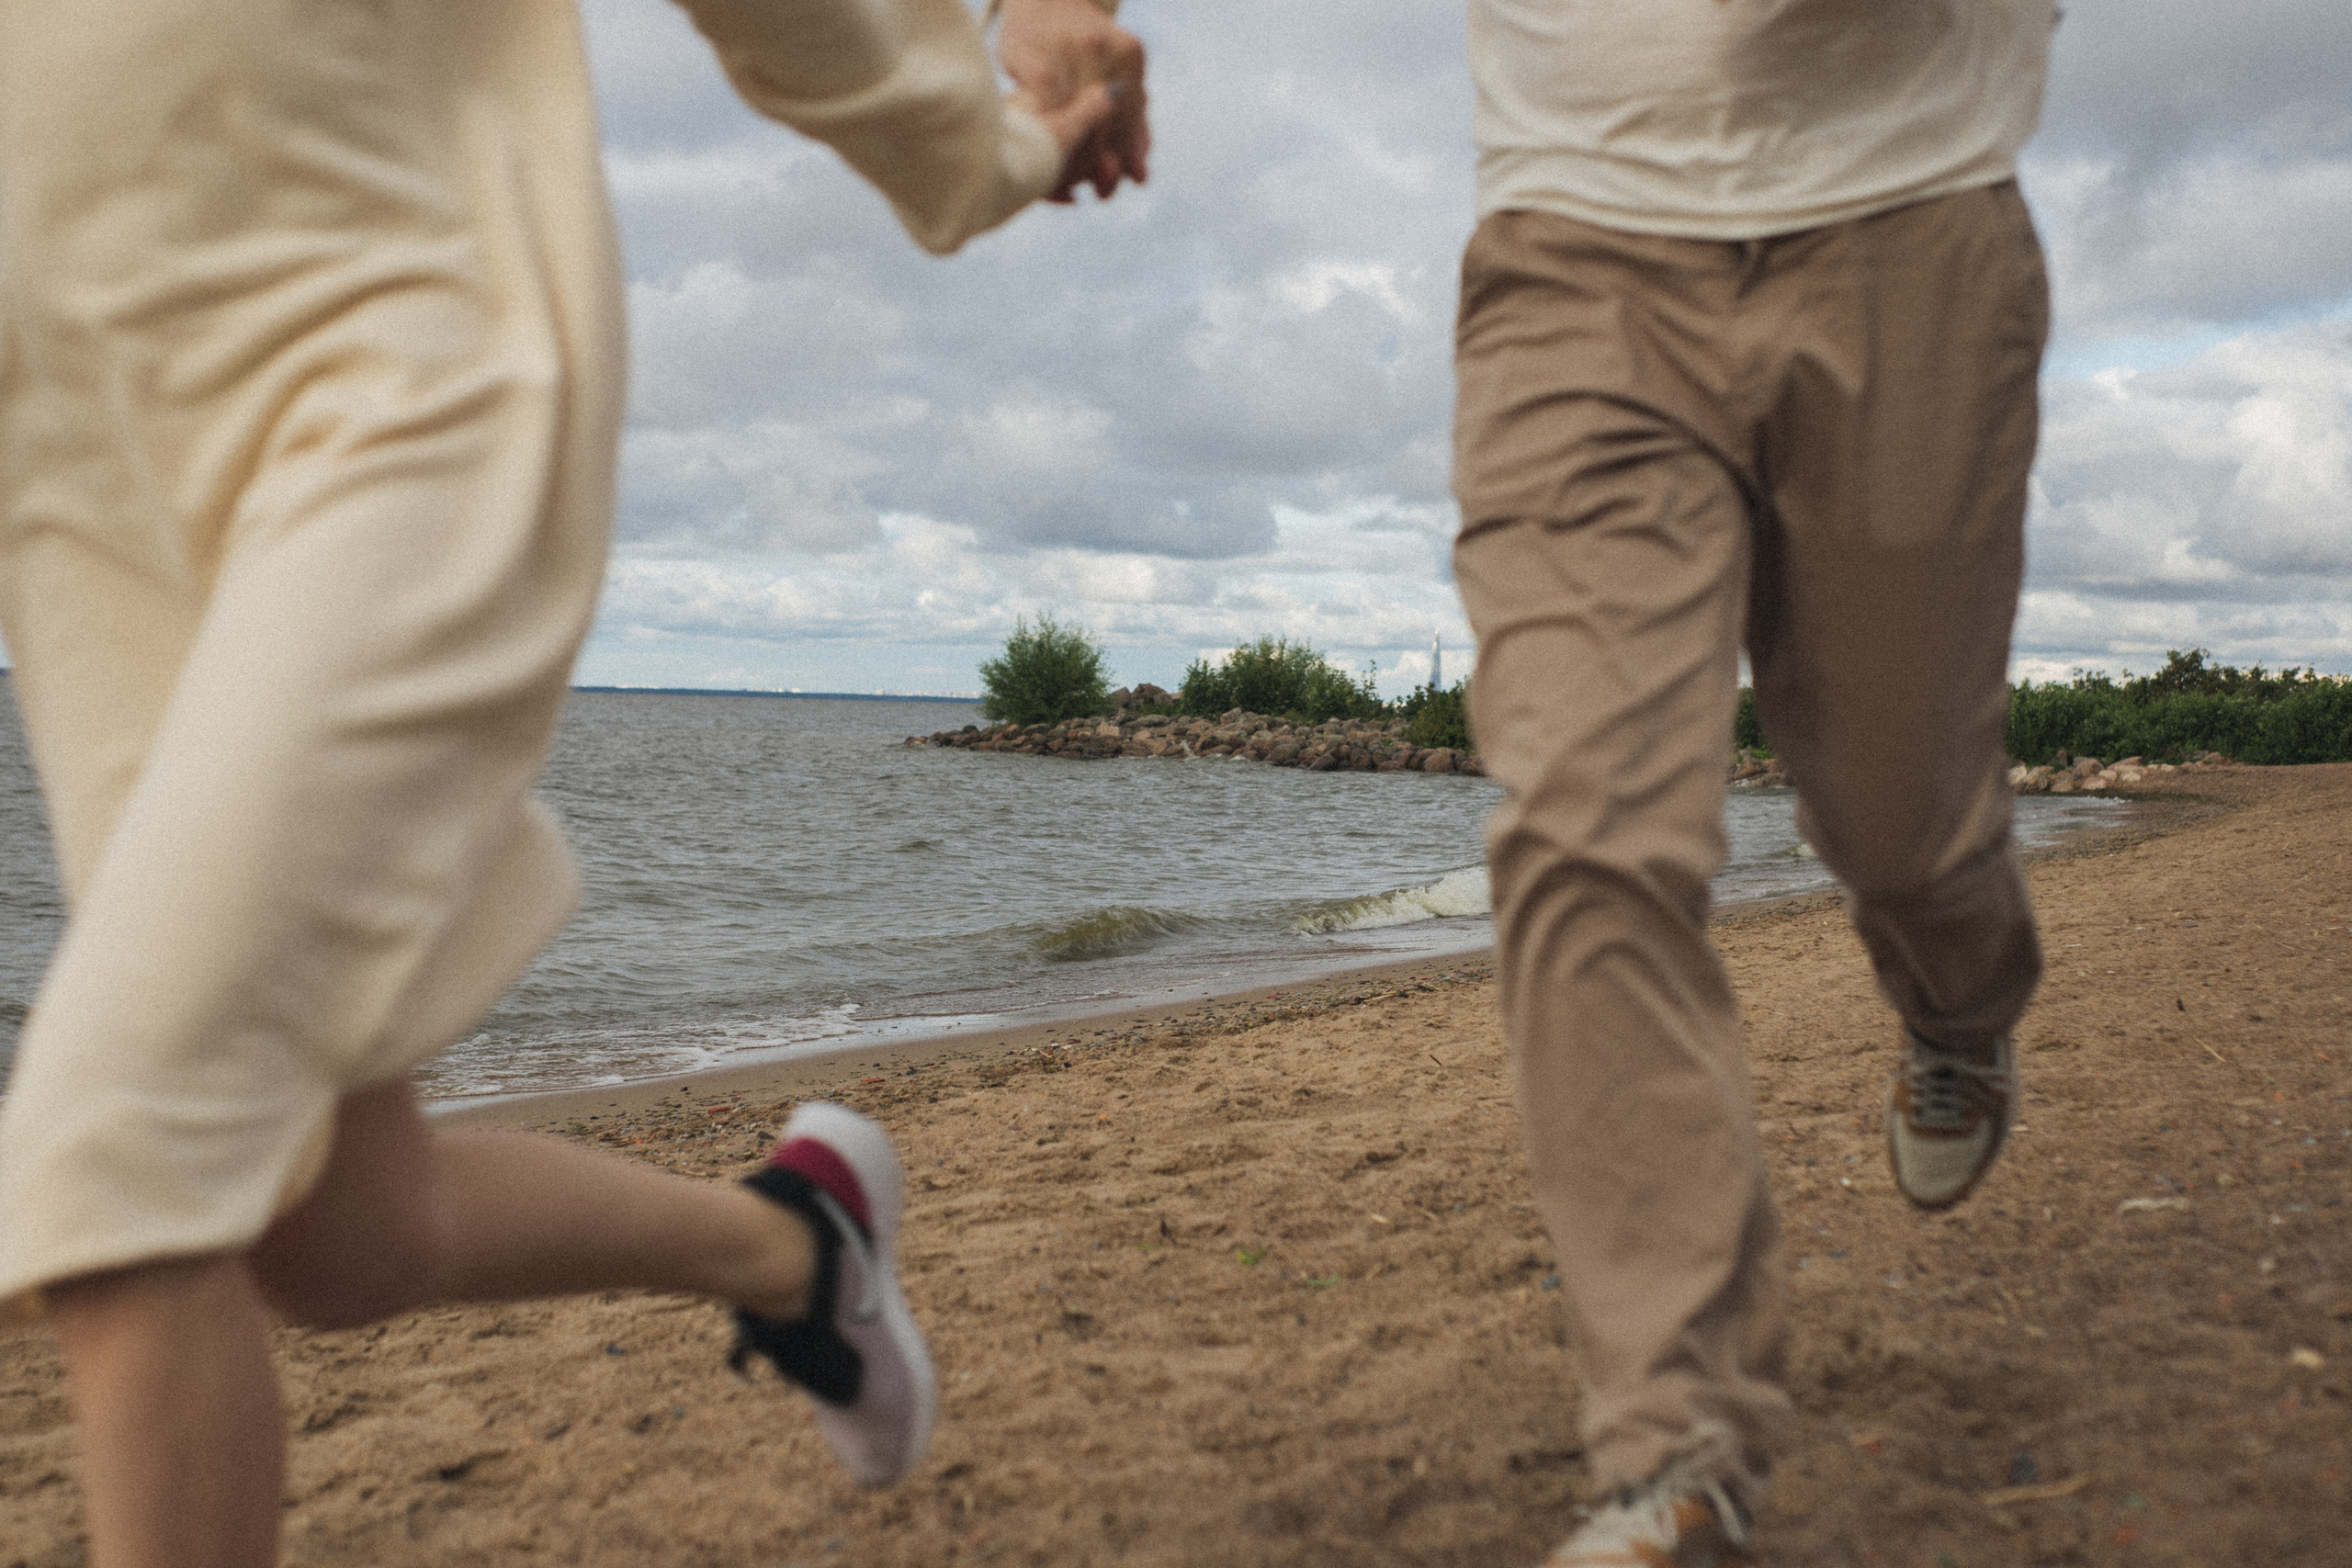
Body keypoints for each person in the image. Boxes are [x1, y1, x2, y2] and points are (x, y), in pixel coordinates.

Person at [0, 0, 1145, 1562]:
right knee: (333, 1229)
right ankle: (793, 1246)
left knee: (120, 1183)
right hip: (81, 490)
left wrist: (982, 147)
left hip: (387, 384)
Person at [1446, 3, 2056, 1562]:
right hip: (1576, 238)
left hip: (1910, 205)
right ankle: (1676, 1455)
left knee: (1903, 825)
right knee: (1580, 830)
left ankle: (1958, 1003)